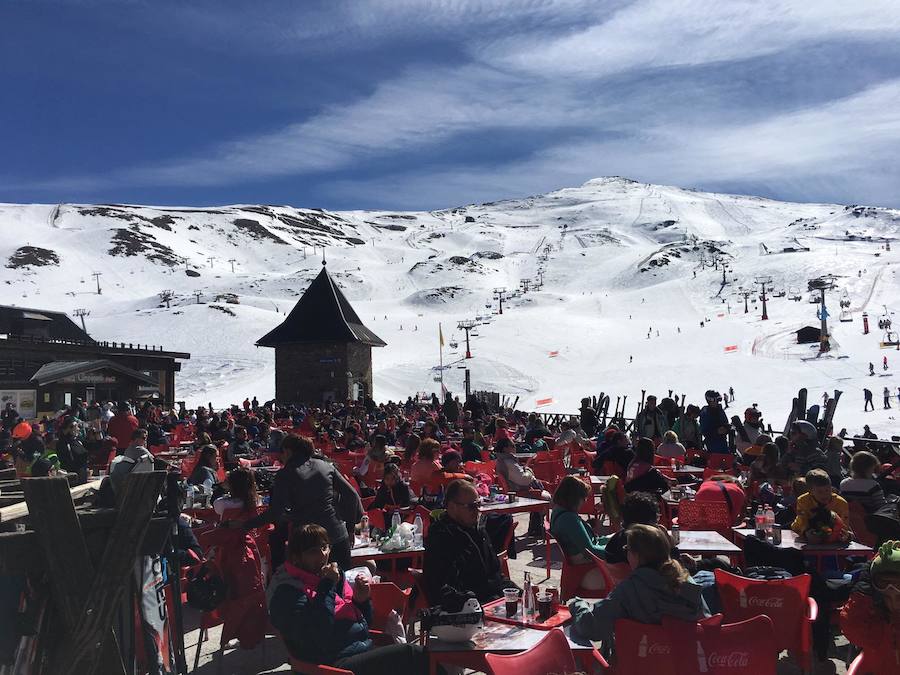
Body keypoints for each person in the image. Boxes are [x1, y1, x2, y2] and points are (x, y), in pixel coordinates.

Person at [268, 524, 429, 674]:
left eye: (325, 547)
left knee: (419, 656)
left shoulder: (329, 579)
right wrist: (327, 586)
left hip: (357, 650)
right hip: (332, 664)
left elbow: (363, 623)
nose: (323, 554)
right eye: (313, 551)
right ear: (296, 557)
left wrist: (361, 600)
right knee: (413, 655)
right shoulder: (287, 591)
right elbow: (316, 633)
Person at [568, 524, 708, 650]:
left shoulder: (630, 589)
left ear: (637, 555)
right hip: (684, 664)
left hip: (638, 664)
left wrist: (577, 604)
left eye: (627, 549)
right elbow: (707, 623)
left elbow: (591, 627)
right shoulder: (688, 584)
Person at [241, 435, 362, 570]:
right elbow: (352, 495)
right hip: (337, 535)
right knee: (342, 587)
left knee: (310, 588)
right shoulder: (325, 466)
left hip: (308, 544)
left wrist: (246, 525)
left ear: (288, 451)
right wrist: (350, 528)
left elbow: (276, 512)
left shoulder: (285, 474)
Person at [422, 479, 516, 605]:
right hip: (465, 613)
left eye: (478, 504)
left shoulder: (478, 531)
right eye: (472, 506)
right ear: (452, 507)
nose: (477, 510)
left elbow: (496, 577)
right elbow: (441, 590)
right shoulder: (441, 537)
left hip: (491, 604)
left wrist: (519, 593)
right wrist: (478, 603)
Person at [840, 541, 900, 674]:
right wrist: (863, 589)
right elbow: (852, 626)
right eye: (888, 598)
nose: (894, 603)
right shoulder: (877, 626)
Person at [550, 476, 610, 590]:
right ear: (574, 498)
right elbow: (590, 551)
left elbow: (588, 543)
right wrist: (619, 552)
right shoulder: (569, 519)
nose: (585, 500)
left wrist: (613, 539)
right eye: (583, 497)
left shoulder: (558, 512)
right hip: (587, 574)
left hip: (581, 569)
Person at [495, 437, 549, 536]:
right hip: (518, 492)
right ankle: (536, 526)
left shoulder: (501, 460)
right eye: (513, 445)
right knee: (547, 497)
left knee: (542, 489)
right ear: (505, 449)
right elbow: (524, 480)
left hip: (514, 489)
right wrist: (528, 470)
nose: (515, 447)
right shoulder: (508, 462)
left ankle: (535, 526)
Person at [792, 469, 851, 543]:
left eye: (827, 490)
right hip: (806, 532)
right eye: (820, 491)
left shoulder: (841, 503)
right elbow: (802, 521)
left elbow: (844, 526)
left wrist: (845, 536)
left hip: (833, 536)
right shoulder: (802, 501)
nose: (824, 494)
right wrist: (806, 533)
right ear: (810, 491)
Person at [55, 417, 88, 483]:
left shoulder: (78, 441)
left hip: (83, 475)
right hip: (73, 478)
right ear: (68, 428)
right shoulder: (63, 443)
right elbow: (67, 462)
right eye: (76, 426)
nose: (78, 429)